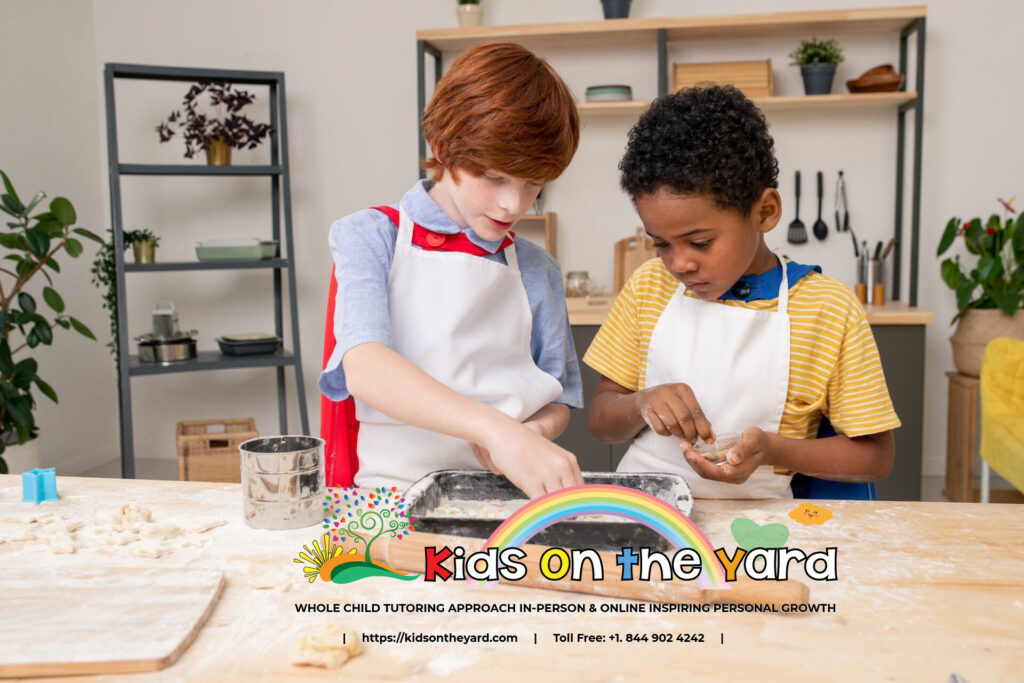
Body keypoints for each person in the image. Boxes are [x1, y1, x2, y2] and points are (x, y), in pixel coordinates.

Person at [584, 85, 898, 499]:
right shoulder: (649, 286)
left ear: (764, 212)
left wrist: (772, 450)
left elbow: (875, 457)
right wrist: (642, 403)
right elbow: (602, 422)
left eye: (699, 243)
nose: (678, 264)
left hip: (760, 527)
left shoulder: (827, 309)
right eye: (660, 243)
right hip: (645, 511)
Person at [319, 42, 584, 498]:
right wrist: (496, 430)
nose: (514, 204)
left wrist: (533, 434)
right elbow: (365, 368)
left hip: (503, 496)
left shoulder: (538, 270)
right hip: (389, 497)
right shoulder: (371, 237)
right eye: (496, 177)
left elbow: (558, 398)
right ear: (441, 147)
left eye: (533, 185)